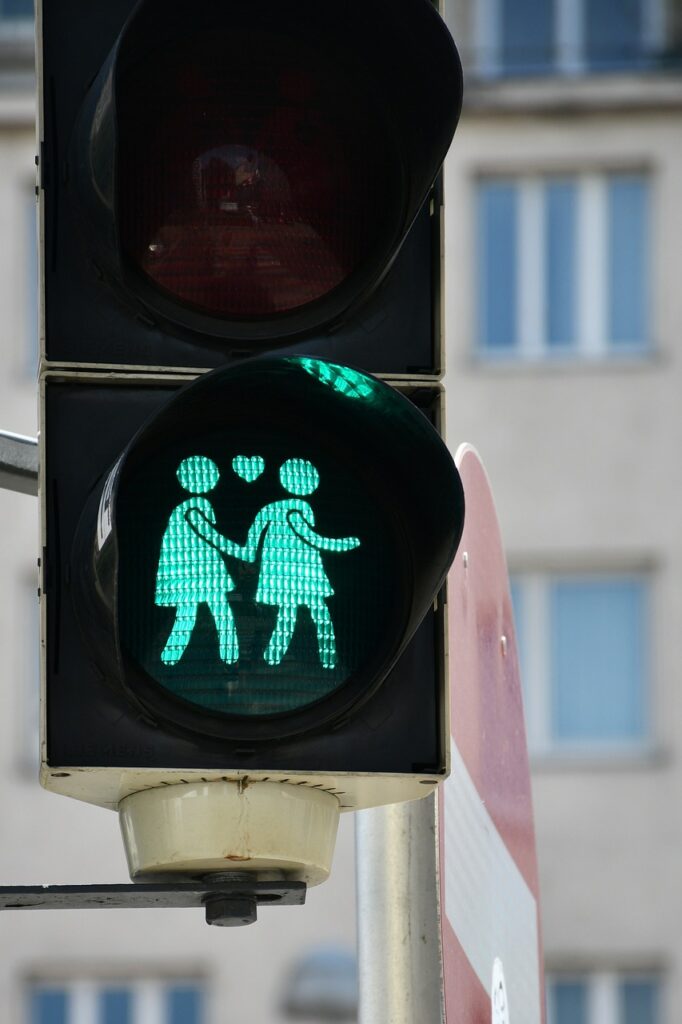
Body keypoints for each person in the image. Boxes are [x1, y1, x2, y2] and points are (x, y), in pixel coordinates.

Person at [244, 458, 360, 669]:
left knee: (287, 615)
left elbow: (253, 536)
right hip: (304, 574)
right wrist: (343, 544)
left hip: (281, 574)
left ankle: (273, 656)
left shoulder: (271, 508)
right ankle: (328, 658)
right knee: (320, 614)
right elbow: (310, 537)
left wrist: (246, 554)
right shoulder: (298, 508)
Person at [155, 455, 248, 666]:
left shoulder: (185, 507)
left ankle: (170, 657)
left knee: (187, 615)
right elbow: (210, 535)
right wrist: (240, 552)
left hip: (189, 572)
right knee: (219, 611)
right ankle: (229, 654)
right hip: (202, 572)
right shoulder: (195, 507)